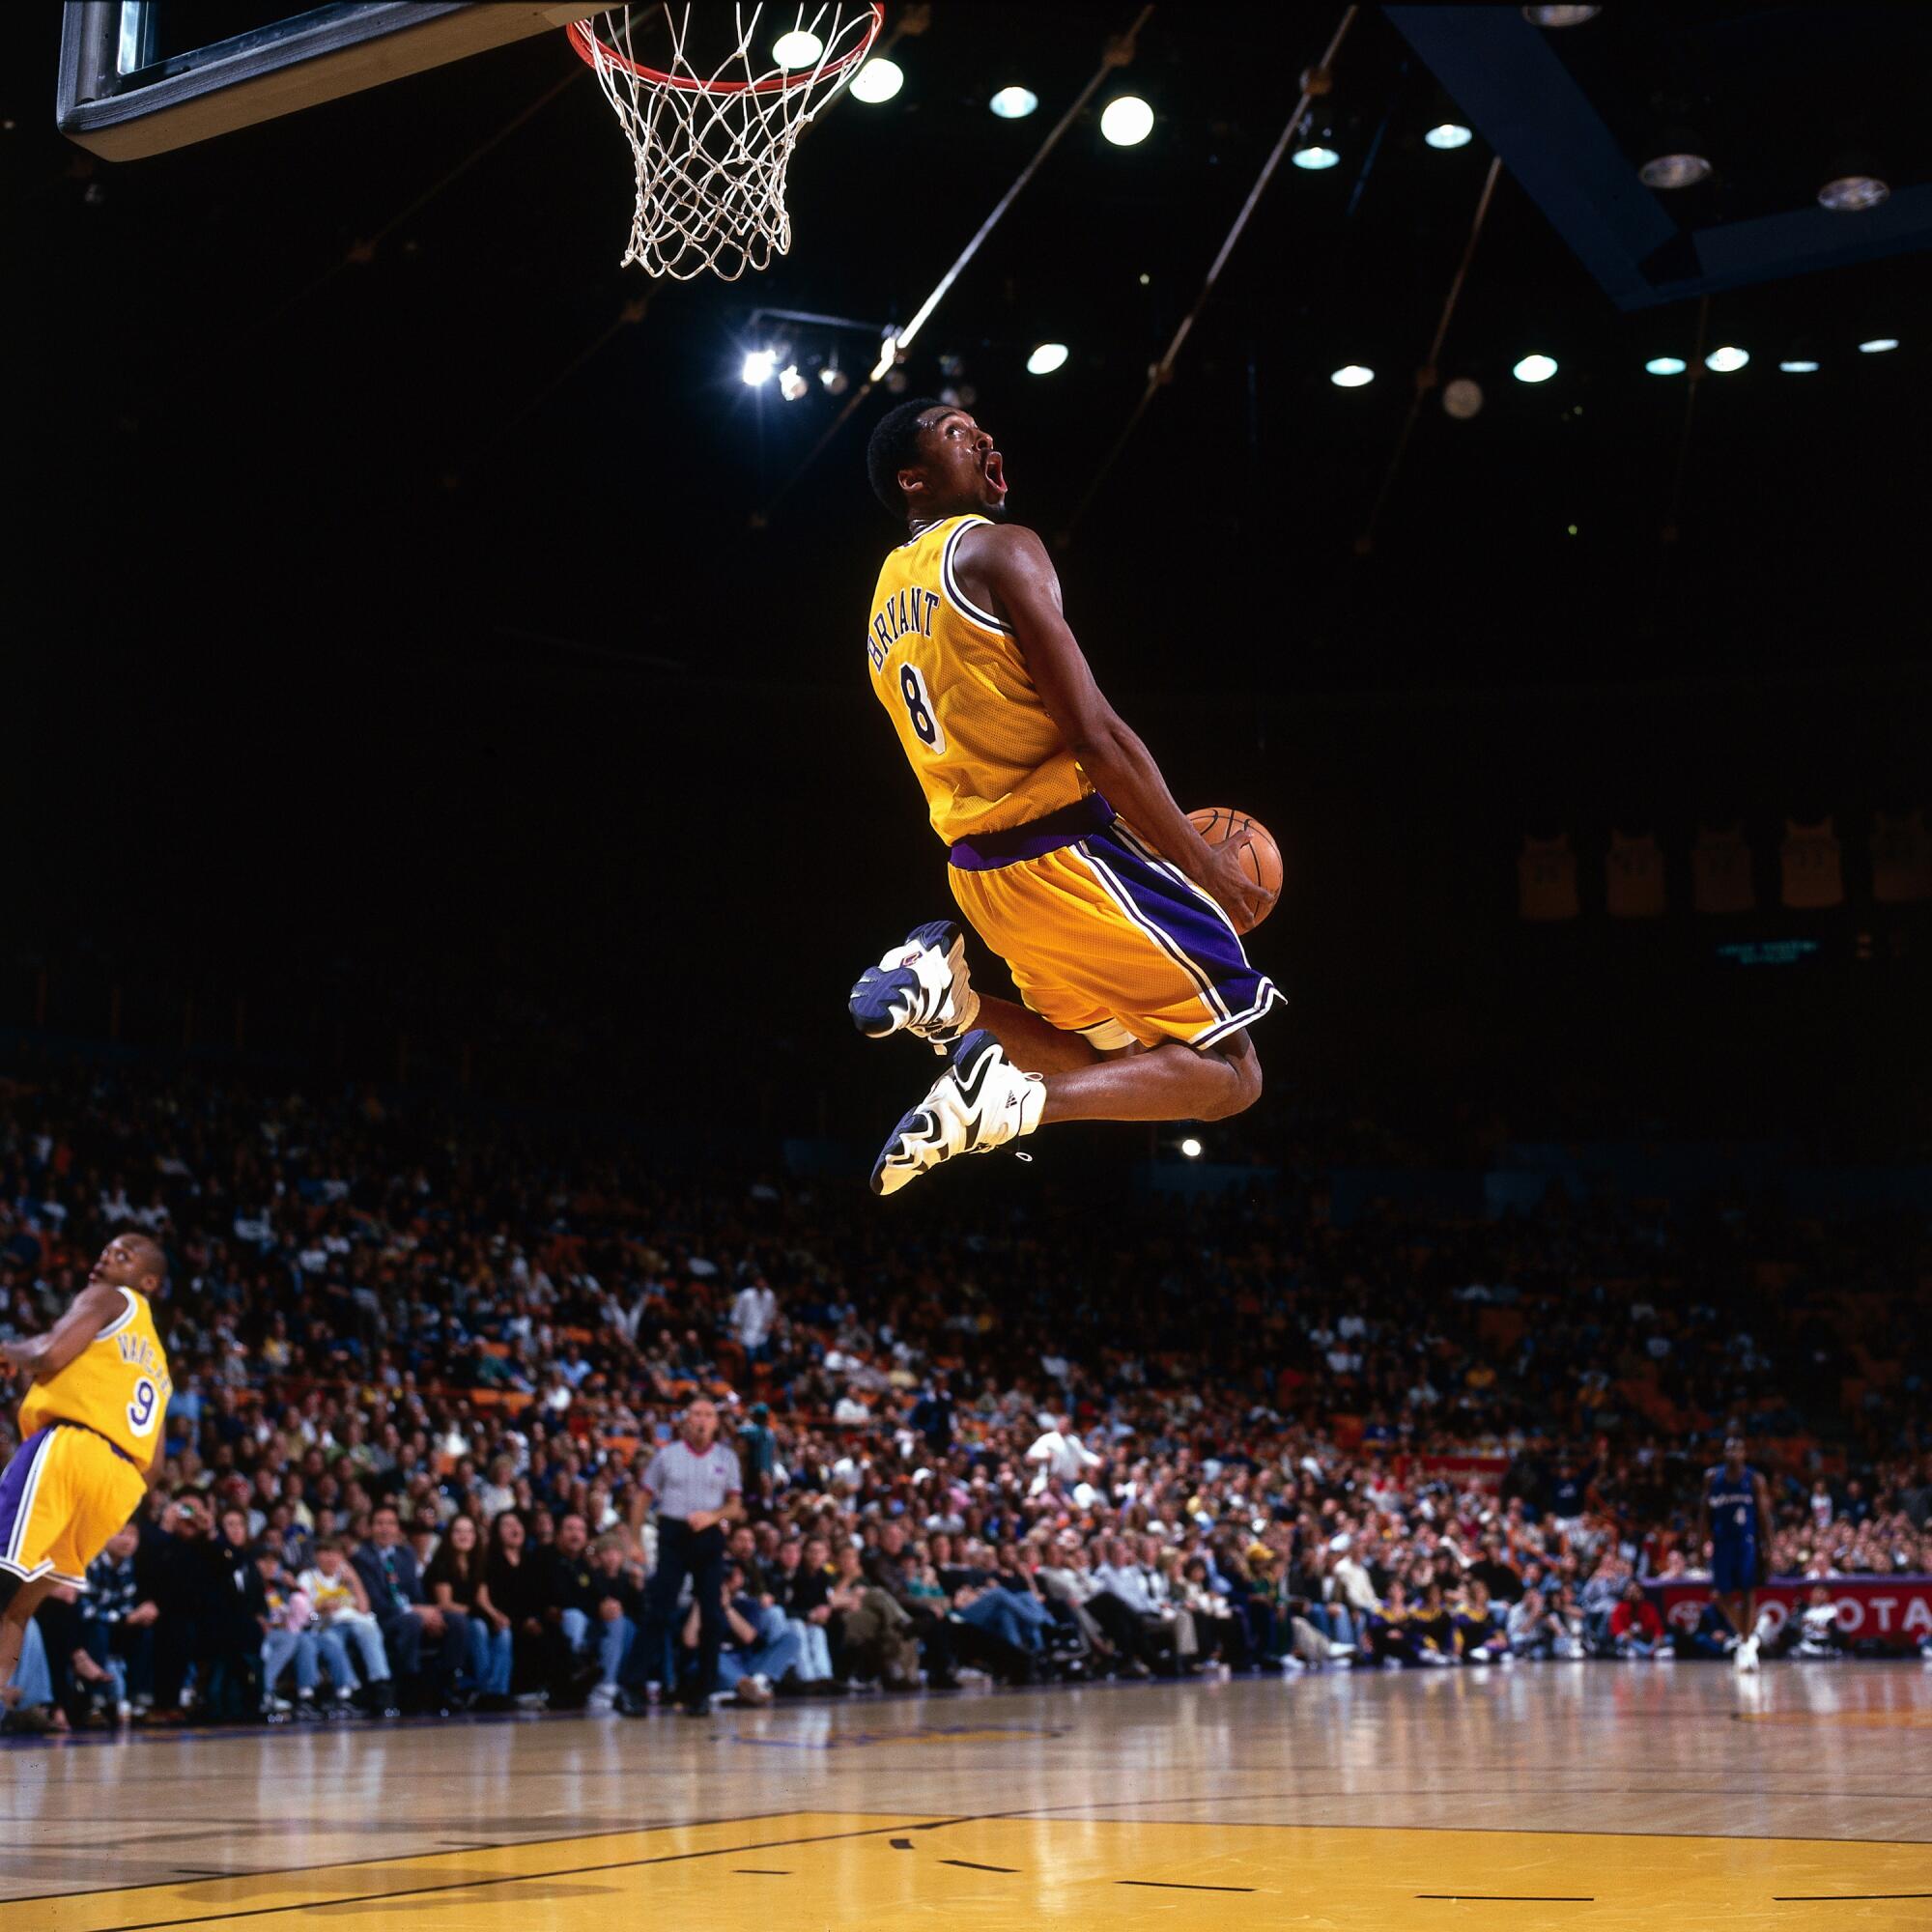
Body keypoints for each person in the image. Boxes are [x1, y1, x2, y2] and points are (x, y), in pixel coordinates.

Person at [851, 398, 1280, 1195]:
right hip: (1067, 848)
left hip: (981, 874)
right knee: (1232, 1073)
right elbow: (1097, 737)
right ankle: (1012, 1104)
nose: (980, 434)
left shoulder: (883, 595)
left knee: (1114, 1059)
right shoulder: (1001, 550)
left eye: (980, 425)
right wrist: (1203, 870)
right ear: (913, 480)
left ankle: (954, 1006)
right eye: (953, 431)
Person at [0, 1235, 173, 1700]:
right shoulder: (158, 1364)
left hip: (73, 1449)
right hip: (118, 1488)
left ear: (148, 1281)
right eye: (106, 1250)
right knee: (17, 1608)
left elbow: (48, 1353)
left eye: (122, 1255)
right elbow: (155, 1467)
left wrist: (7, 1349)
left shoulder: (109, 1297)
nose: (105, 1257)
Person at [619, 1398, 744, 1717]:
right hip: (673, 1532)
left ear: (716, 1422)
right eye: (696, 1414)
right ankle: (630, 1686)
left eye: (708, 1415)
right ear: (685, 1421)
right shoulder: (667, 1455)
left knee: (713, 1616)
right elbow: (643, 1498)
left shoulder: (727, 1458)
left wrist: (712, 1516)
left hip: (709, 1534)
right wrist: (634, 1540)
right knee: (659, 1612)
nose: (701, 1420)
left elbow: (734, 1506)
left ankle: (703, 1690)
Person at [1701, 1434, 1773, 1672]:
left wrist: (1768, 1547)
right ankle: (1747, 1638)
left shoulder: (1754, 1479)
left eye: (1737, 1449)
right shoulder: (1712, 1477)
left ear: (1744, 1453)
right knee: (1720, 1595)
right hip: (1721, 1543)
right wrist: (1701, 1544)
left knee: (1748, 1592)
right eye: (1729, 1449)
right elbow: (1703, 1515)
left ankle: (1744, 1644)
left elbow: (1763, 1516)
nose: (1733, 1453)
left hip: (1746, 1541)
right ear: (1724, 1453)